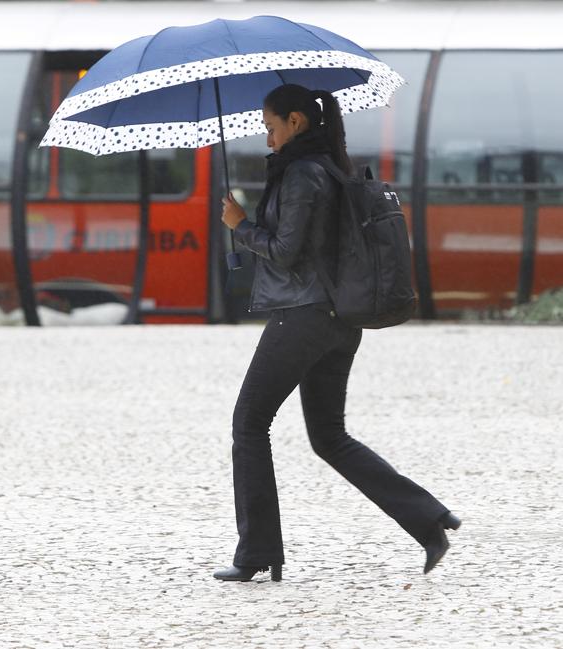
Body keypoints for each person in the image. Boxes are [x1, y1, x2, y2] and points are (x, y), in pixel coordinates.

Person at [213, 84, 460, 583]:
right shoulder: (331, 167)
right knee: (329, 436)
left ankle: (257, 551)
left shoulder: (303, 174)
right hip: (338, 322)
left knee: (248, 422)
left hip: (303, 315)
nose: (268, 137)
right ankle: (428, 521)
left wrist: (239, 225)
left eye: (271, 126)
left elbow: (285, 251)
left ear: (296, 122)